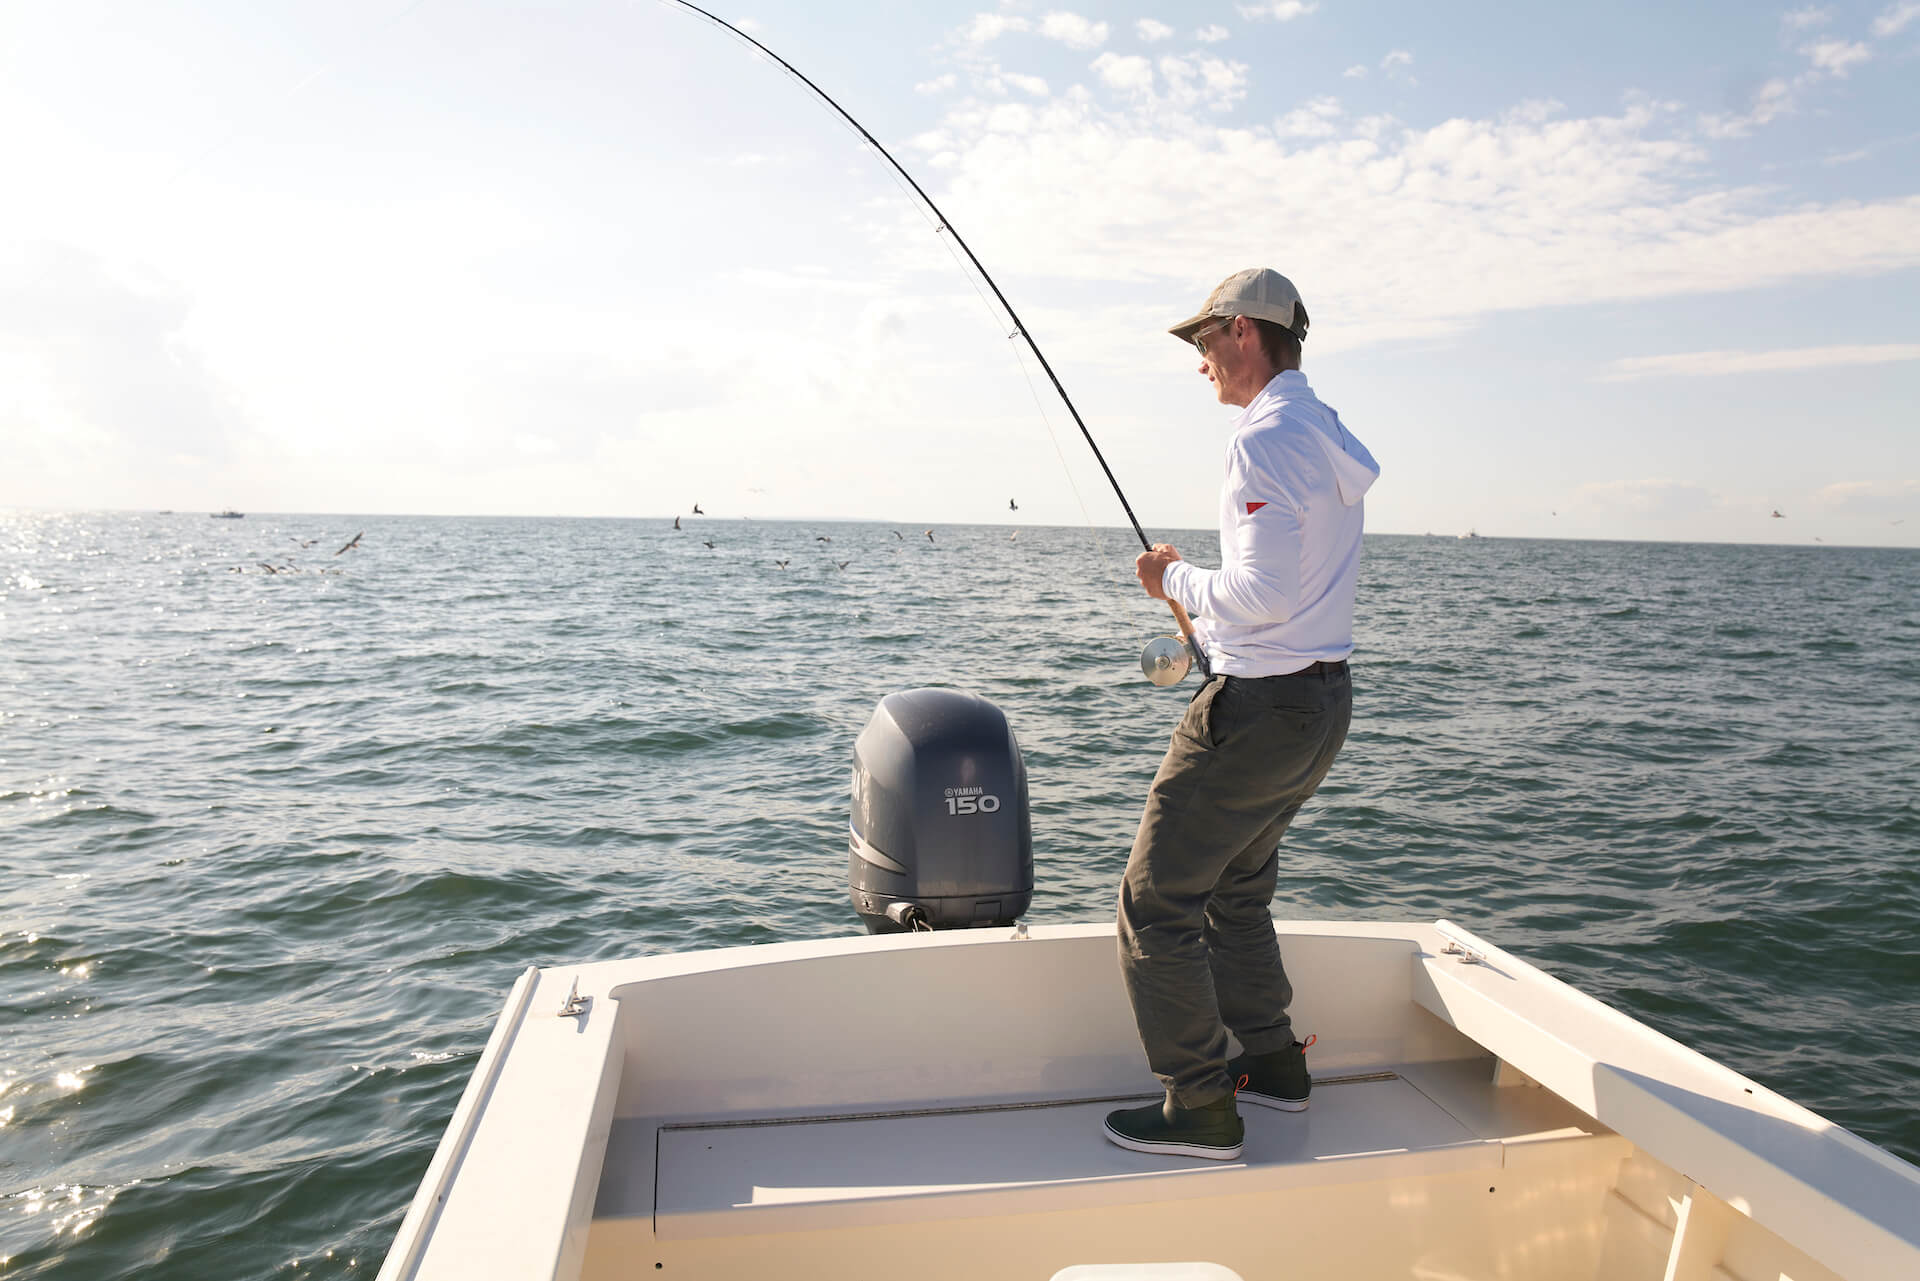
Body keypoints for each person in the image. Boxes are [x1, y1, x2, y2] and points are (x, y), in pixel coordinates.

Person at [1102, 267, 1380, 1161]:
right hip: (1321, 702)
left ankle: (1200, 1104)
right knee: (1235, 887)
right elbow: (1291, 591)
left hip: (1258, 707)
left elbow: (1259, 592)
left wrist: (1170, 581)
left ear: (1246, 333)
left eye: (1205, 339)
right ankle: (1273, 1067)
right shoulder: (1325, 432)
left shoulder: (1264, 440)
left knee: (1155, 903)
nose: (1200, 362)